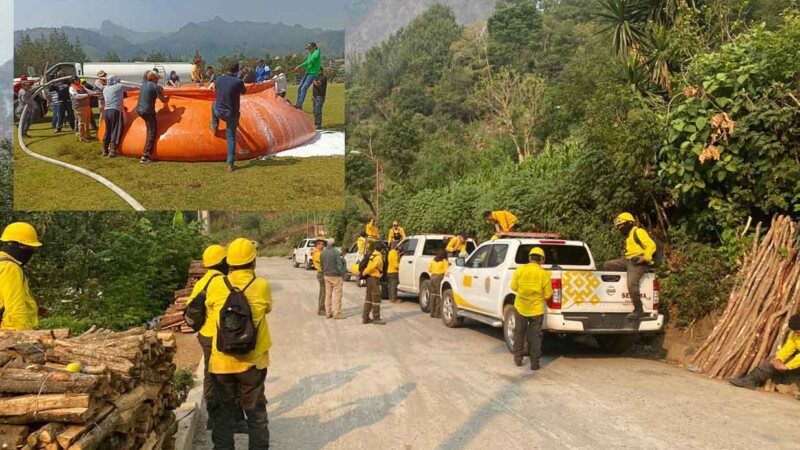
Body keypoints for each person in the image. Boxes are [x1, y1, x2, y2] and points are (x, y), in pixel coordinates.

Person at [204, 238, 272, 449]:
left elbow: (208, 306)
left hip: (221, 362)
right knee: (255, 412)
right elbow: (267, 308)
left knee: (223, 414)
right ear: (254, 262)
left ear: (229, 263)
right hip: (252, 362)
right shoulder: (261, 286)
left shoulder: (216, 284)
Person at [185, 244, 228, 430]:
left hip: (204, 335)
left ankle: (213, 415)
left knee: (210, 375)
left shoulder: (202, 283)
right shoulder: (225, 283)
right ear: (222, 262)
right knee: (227, 376)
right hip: (221, 337)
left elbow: (190, 308)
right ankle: (229, 417)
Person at [602, 213, 656, 320]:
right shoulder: (629, 236)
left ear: (630, 223)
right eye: (619, 226)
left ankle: (638, 309)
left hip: (638, 261)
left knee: (631, 284)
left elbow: (651, 245)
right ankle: (615, 295)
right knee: (607, 265)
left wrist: (645, 258)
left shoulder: (638, 231)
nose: (620, 228)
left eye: (622, 225)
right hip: (628, 260)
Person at [730, 314, 800, 390]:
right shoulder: (794, 335)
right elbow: (788, 348)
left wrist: (787, 366)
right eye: (794, 332)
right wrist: (778, 359)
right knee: (772, 359)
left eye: (797, 331)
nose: (796, 334)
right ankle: (751, 380)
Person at [511, 247, 553, 370]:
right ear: (542, 260)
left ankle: (518, 359)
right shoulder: (544, 274)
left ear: (529, 258)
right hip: (537, 310)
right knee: (535, 336)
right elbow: (548, 294)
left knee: (519, 333)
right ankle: (535, 363)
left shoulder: (520, 270)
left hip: (521, 307)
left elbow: (513, 287)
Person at [0, 222, 44, 331]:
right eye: (27, 247)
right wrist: (23, 336)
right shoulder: (10, 268)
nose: (30, 251)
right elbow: (15, 306)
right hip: (10, 333)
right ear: (13, 244)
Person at [210, 62, 247, 172]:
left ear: (227, 69)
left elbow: (212, 87)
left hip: (220, 112)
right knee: (231, 138)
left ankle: (215, 125)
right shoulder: (238, 82)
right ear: (236, 71)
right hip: (232, 115)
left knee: (213, 104)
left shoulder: (219, 79)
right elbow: (244, 92)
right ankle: (230, 165)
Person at [135, 71, 170, 163]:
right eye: (157, 78)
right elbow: (163, 100)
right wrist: (168, 97)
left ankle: (146, 153)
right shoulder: (156, 87)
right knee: (152, 132)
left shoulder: (144, 85)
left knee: (149, 130)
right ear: (153, 78)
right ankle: (146, 155)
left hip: (139, 110)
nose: (158, 80)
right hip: (148, 111)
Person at [361, 241, 386, 325]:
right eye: (383, 249)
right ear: (381, 249)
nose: (384, 251)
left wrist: (364, 273)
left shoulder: (372, 255)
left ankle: (365, 317)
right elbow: (372, 267)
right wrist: (365, 272)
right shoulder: (378, 258)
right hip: (374, 279)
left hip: (369, 279)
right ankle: (376, 318)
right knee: (376, 298)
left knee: (368, 299)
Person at [101, 74, 126, 157]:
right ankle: (113, 151)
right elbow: (133, 88)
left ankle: (105, 150)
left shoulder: (105, 88)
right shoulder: (119, 86)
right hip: (115, 110)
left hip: (106, 110)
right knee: (116, 129)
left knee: (108, 130)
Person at [321, 238, 345, 319]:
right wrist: (341, 273)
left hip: (326, 275)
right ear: (334, 244)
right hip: (336, 276)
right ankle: (337, 313)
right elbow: (339, 264)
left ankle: (328, 312)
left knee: (328, 294)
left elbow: (322, 264)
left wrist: (325, 272)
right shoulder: (335, 252)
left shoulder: (323, 252)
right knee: (337, 295)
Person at [292, 42, 321, 109]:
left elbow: (311, 60)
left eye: (310, 48)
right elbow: (307, 62)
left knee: (303, 88)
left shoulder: (317, 52)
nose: (309, 50)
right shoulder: (310, 54)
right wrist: (300, 66)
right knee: (300, 88)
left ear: (314, 47)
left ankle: (299, 104)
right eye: (308, 48)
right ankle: (298, 104)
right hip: (308, 72)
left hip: (313, 73)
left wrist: (300, 66)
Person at [69, 76, 94, 142]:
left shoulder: (81, 86)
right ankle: (82, 137)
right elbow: (76, 96)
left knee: (87, 121)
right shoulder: (71, 88)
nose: (78, 80)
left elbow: (89, 91)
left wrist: (95, 93)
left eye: (78, 79)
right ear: (73, 81)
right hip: (79, 106)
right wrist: (86, 95)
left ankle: (88, 135)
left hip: (86, 105)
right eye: (76, 79)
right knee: (82, 122)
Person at [428, 249, 450, 318]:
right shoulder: (444, 261)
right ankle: (437, 313)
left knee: (432, 295)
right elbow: (446, 271)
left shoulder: (433, 260)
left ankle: (431, 312)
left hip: (432, 277)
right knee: (438, 295)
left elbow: (429, 269)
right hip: (439, 277)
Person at [311, 238, 326, 316]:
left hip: (323, 273)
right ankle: (321, 309)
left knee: (324, 291)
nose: (323, 246)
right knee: (323, 292)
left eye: (323, 244)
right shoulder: (316, 253)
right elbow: (323, 260)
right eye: (322, 244)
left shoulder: (319, 252)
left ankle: (323, 308)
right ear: (317, 245)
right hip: (321, 273)